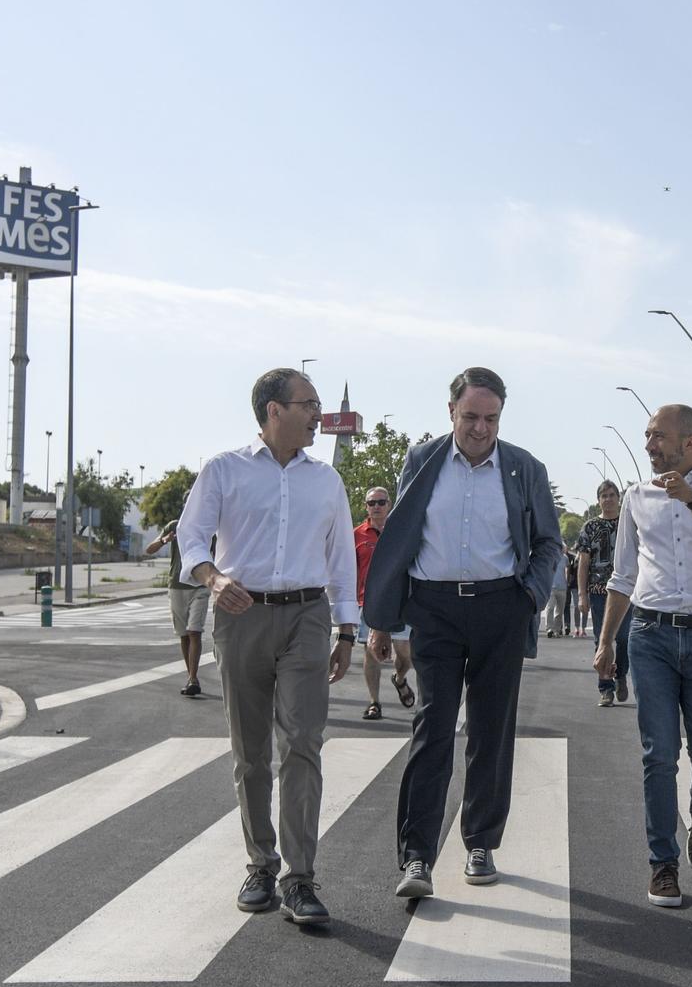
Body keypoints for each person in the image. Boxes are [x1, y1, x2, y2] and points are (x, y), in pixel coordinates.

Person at [362, 367, 563, 897]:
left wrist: (529, 598)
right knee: (433, 728)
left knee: (491, 731)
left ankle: (480, 841)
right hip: (435, 611)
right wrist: (383, 619)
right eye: (470, 416)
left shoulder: (524, 469)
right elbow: (401, 538)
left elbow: (548, 543)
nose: (480, 428)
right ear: (450, 411)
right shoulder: (420, 461)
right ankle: (417, 858)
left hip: (502, 607)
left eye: (491, 418)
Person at [178, 367, 358, 926]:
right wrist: (214, 579)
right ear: (273, 410)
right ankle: (261, 862)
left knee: (303, 742)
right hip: (241, 615)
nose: (318, 415)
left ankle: (300, 878)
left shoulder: (326, 480)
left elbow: (341, 560)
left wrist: (346, 629)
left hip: (307, 615)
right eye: (309, 405)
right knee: (250, 752)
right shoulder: (224, 470)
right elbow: (190, 536)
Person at [595, 404, 692, 908]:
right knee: (658, 754)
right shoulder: (637, 499)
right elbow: (622, 577)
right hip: (650, 634)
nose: (649, 444)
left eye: (658, 436)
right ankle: (663, 864)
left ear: (689, 443)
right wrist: (605, 643)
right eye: (647, 435)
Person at [354, 486, 416, 721]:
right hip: (368, 602)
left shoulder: (401, 531)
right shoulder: (357, 535)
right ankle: (374, 702)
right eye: (372, 503)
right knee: (371, 653)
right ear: (366, 506)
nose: (377, 506)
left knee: (405, 653)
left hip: (401, 601)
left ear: (390, 504)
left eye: (381, 502)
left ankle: (399, 679)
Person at [576, 481, 632, 708]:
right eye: (604, 496)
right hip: (599, 593)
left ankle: (621, 676)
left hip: (627, 591)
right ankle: (605, 688)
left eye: (612, 495)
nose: (608, 499)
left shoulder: (629, 524)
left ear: (619, 498)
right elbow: (583, 563)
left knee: (625, 638)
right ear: (598, 500)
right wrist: (582, 595)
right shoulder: (590, 527)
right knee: (601, 640)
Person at [144, 519, 209, 697]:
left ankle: (194, 679)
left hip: (200, 587)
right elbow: (149, 549)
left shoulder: (208, 525)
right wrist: (164, 540)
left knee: (194, 631)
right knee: (184, 634)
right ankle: (191, 677)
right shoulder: (174, 526)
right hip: (177, 586)